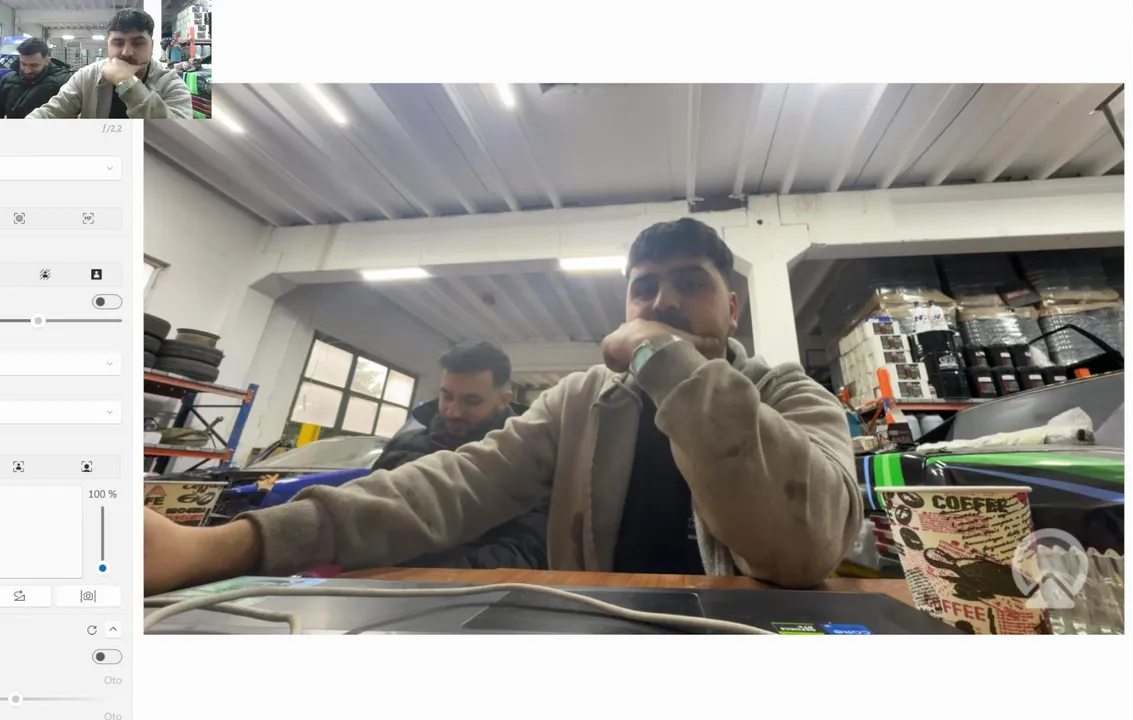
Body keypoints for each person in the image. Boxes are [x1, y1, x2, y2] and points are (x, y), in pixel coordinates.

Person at [143, 217, 861, 595]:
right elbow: (451, 486)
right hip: (600, 633)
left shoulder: (792, 396)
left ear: (732, 308)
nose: (662, 301)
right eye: (644, 288)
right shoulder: (583, 401)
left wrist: (665, 358)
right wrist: (222, 545)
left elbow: (802, 552)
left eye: (689, 284)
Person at [374, 341, 549, 570]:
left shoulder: (528, 461)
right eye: (447, 396)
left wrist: (432, 579)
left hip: (472, 588)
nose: (453, 412)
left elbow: (528, 548)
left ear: (503, 400)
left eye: (471, 401)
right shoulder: (403, 446)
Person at [26, 8, 192, 120]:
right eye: (118, 43)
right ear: (108, 45)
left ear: (152, 46)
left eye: (138, 43)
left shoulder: (171, 85)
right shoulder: (86, 76)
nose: (127, 52)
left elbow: (178, 140)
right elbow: (50, 113)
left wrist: (127, 83)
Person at [0, 39, 71, 119]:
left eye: (34, 65)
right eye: (23, 64)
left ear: (47, 61)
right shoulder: (8, 80)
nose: (27, 70)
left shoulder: (62, 83)